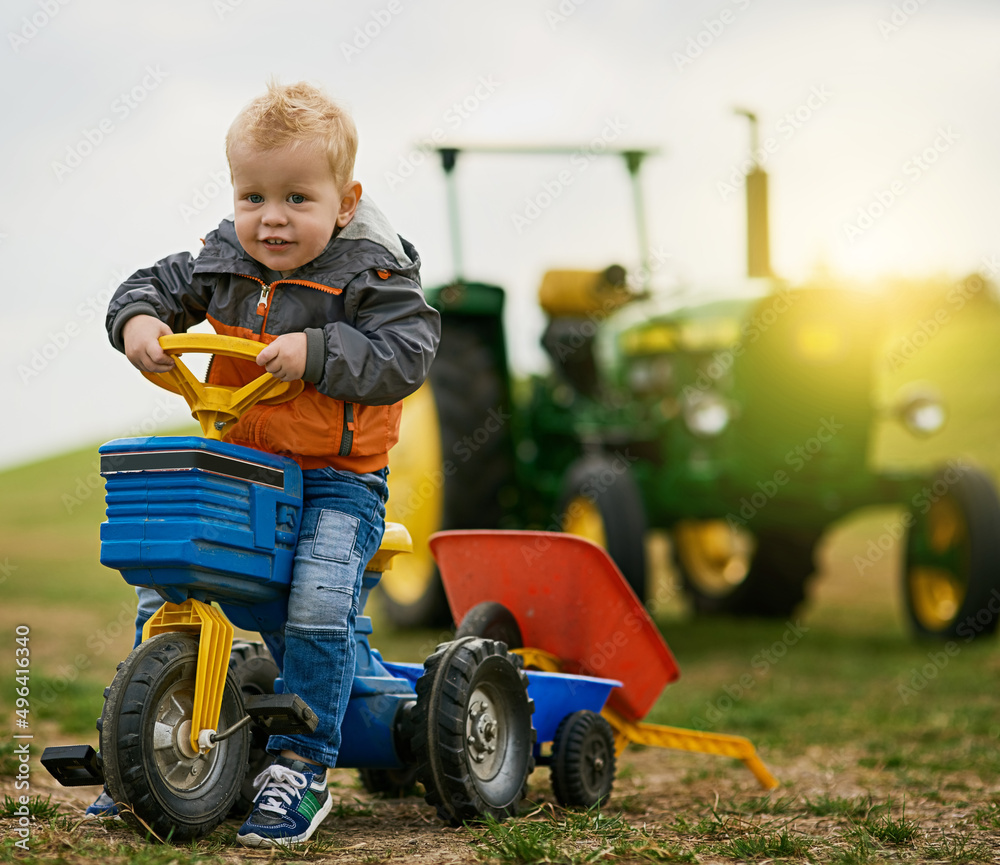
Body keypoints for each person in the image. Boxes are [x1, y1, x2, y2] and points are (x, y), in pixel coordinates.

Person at [92, 80, 440, 848]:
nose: (270, 217)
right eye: (252, 195)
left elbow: (406, 356)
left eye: (295, 197)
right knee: (167, 581)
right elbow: (149, 284)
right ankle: (150, 741)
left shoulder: (373, 277)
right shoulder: (222, 263)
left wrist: (316, 352)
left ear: (344, 203)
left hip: (337, 481)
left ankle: (302, 761)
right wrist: (141, 320)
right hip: (243, 469)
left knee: (318, 600)